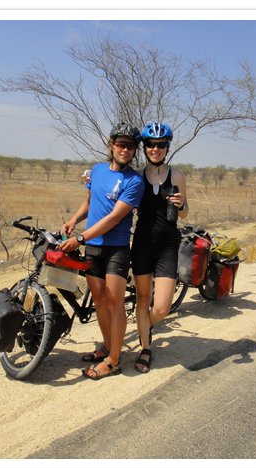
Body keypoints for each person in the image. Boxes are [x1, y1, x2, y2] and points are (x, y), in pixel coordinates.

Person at [59, 122, 145, 380]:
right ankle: (107, 347)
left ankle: (114, 360)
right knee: (99, 301)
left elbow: (114, 218)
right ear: (111, 145)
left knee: (115, 303)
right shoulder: (97, 171)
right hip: (93, 248)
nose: (125, 150)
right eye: (121, 144)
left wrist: (80, 238)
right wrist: (74, 220)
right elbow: (89, 202)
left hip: (116, 249)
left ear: (134, 150)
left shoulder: (134, 181)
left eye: (131, 146)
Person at [131, 122, 188, 373]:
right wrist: (91, 179)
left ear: (167, 147)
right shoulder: (136, 176)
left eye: (161, 144)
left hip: (167, 245)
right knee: (143, 299)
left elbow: (185, 214)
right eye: (151, 144)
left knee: (162, 307)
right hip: (142, 244)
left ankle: (144, 325)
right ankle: (146, 347)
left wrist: (182, 204)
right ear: (144, 147)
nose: (156, 149)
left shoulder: (177, 176)